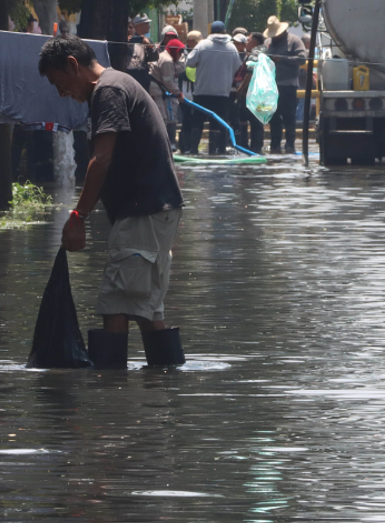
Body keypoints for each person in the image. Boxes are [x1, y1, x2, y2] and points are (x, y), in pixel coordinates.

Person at [39, 36, 185, 368]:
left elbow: (101, 159)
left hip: (143, 211)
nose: (62, 92)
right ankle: (164, 392)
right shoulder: (117, 86)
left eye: (58, 82)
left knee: (116, 303)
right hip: (153, 211)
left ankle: (110, 403)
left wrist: (79, 216)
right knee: (146, 308)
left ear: (73, 66)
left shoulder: (109, 90)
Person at [184, 21, 240, 155]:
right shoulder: (232, 48)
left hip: (202, 91)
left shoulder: (202, 45)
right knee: (218, 123)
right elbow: (237, 67)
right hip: (222, 93)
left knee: (198, 121)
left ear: (211, 32)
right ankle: (216, 150)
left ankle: (193, 150)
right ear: (225, 32)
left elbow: (189, 63)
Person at [263, 16, 304, 154]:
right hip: (271, 87)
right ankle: (275, 145)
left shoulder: (294, 41)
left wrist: (283, 59)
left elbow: (302, 59)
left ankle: (290, 145)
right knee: (273, 118)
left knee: (289, 117)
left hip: (288, 86)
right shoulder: (268, 42)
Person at [151, 38, 184, 148]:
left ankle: (166, 144)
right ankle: (162, 145)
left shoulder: (165, 57)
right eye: (180, 52)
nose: (181, 55)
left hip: (160, 90)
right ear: (176, 51)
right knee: (162, 118)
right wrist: (178, 93)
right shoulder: (167, 60)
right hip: (156, 91)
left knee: (167, 117)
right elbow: (168, 80)